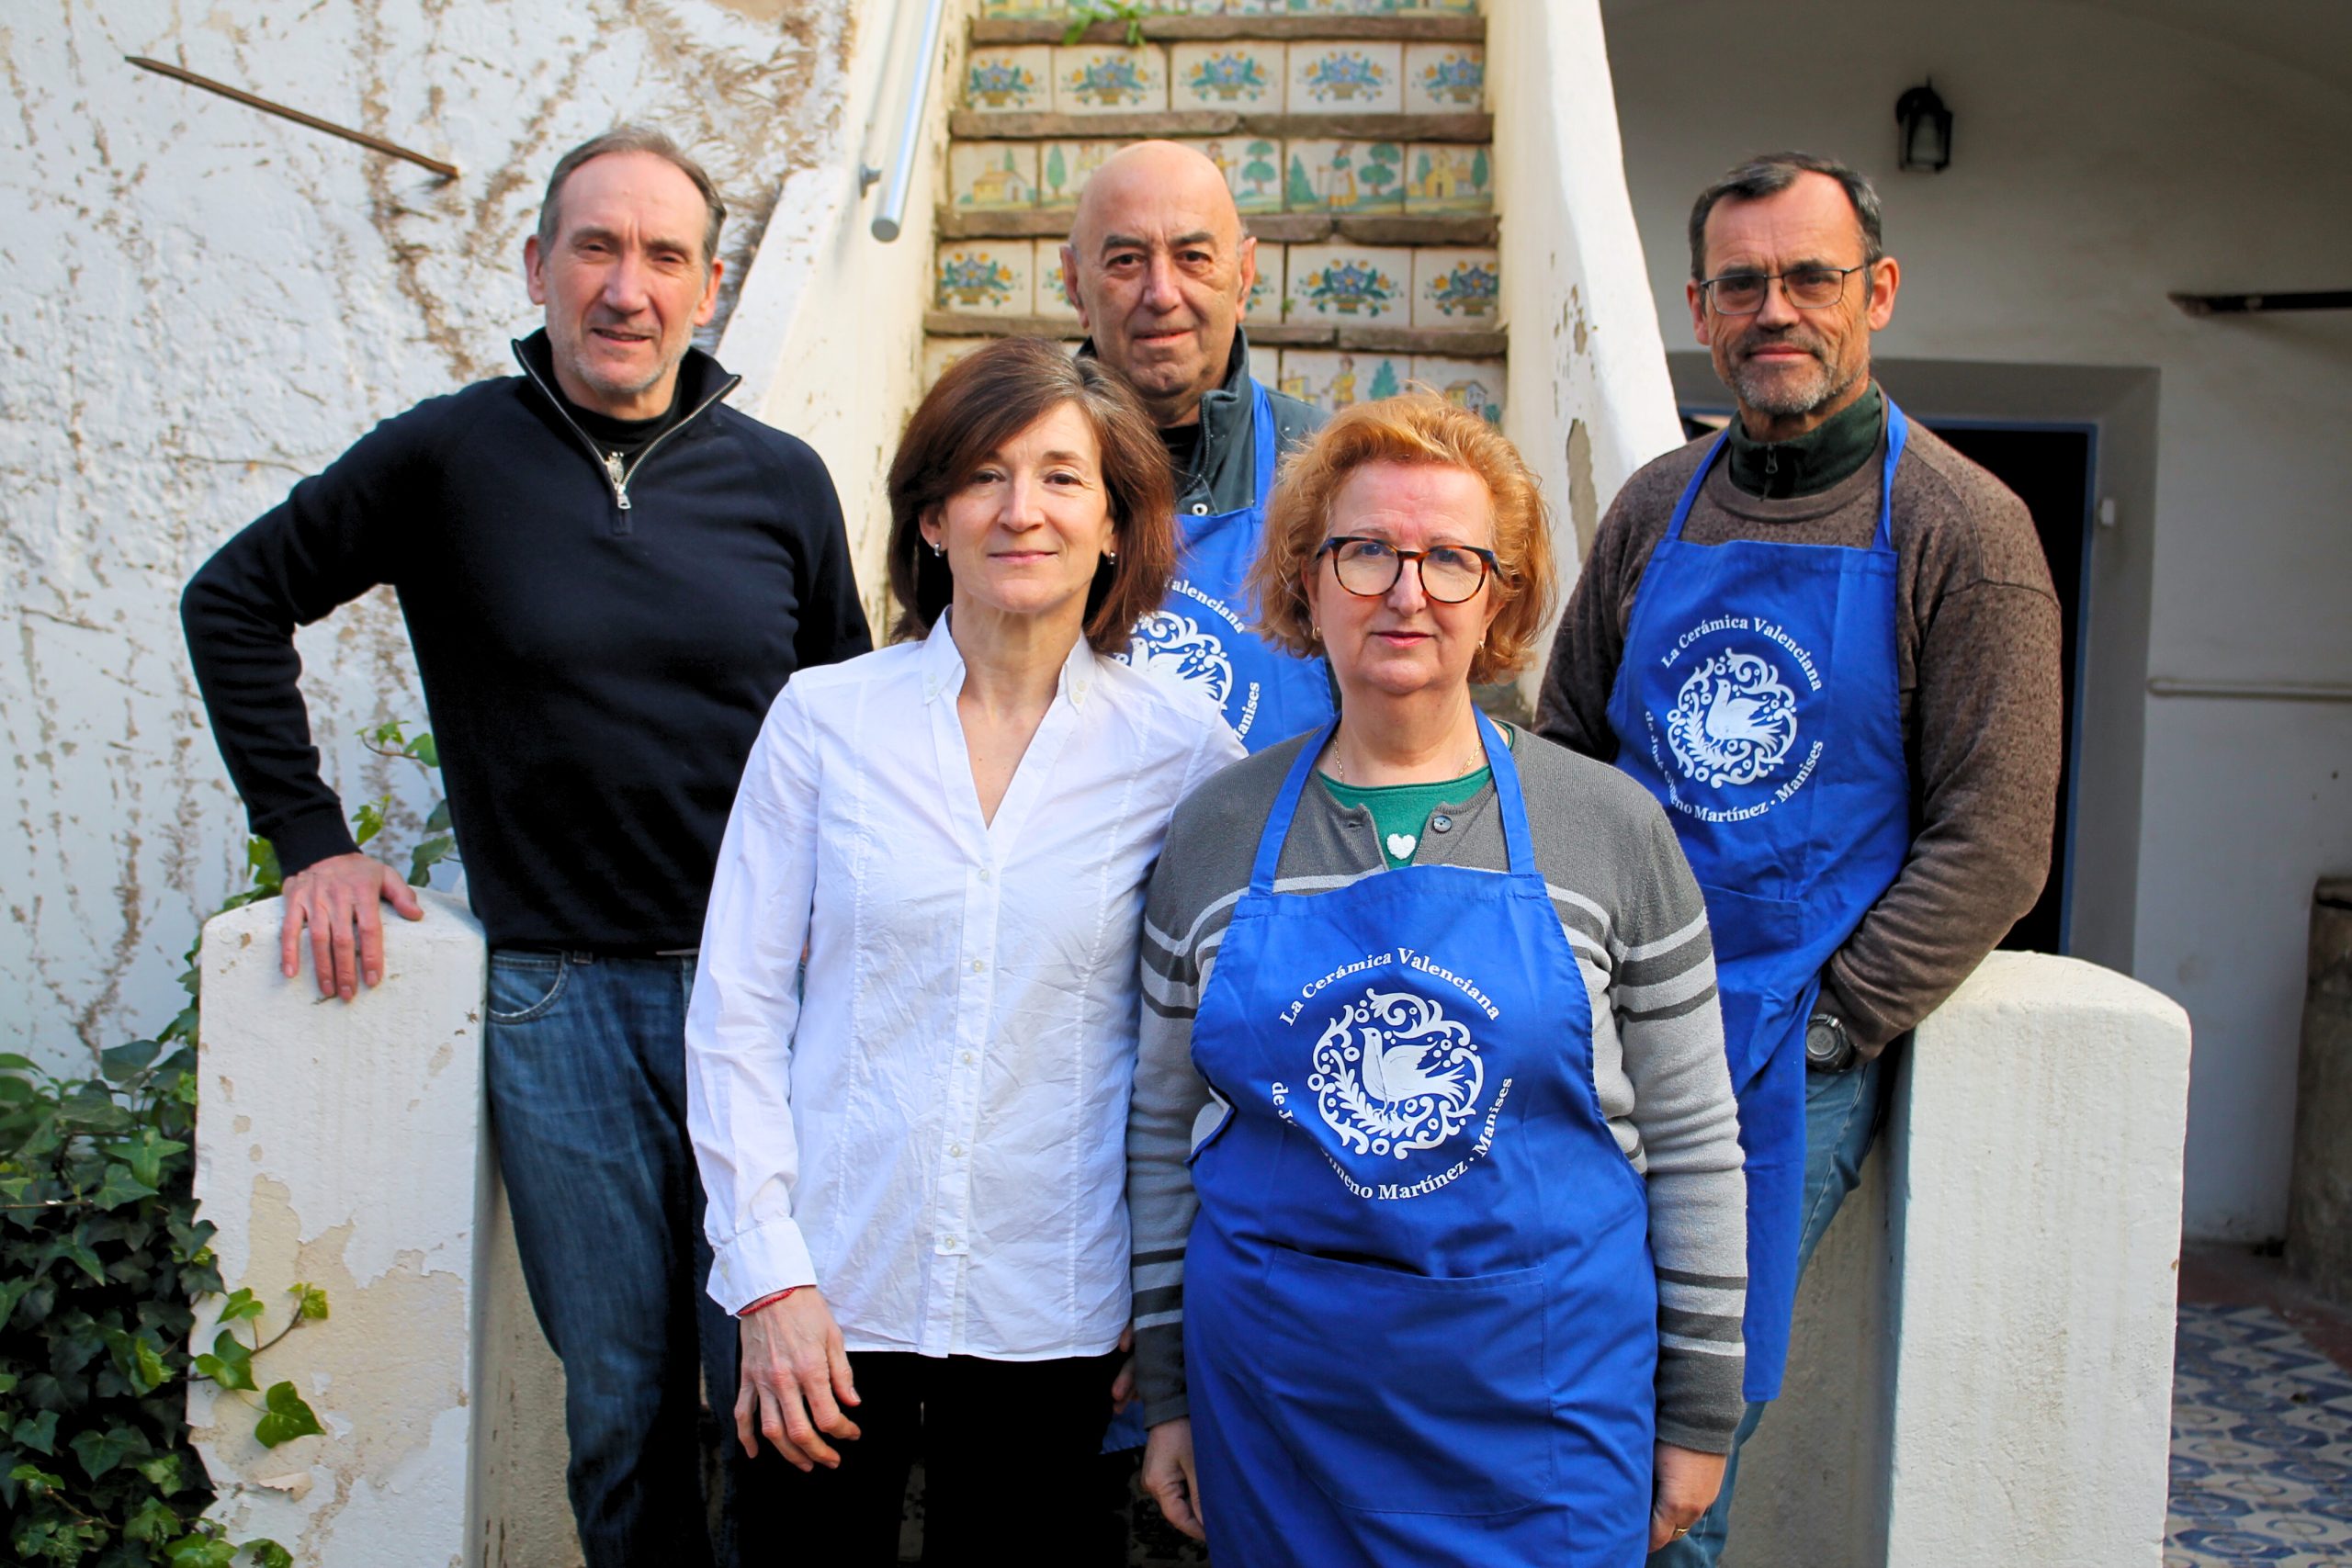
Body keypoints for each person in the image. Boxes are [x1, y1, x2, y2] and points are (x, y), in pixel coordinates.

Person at [179, 128, 871, 1566]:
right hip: (561, 1004)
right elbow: (234, 599)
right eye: (595, 247)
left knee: (779, 1391)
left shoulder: (781, 482)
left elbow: (849, 730)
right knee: (619, 1406)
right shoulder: (448, 457)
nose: (627, 287)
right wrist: (309, 836)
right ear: (537, 264)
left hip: (764, 1003)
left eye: (664, 256)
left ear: (709, 286)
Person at [1536, 152, 2063, 1565]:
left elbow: (1997, 835)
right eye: (1743, 282)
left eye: (1810, 277)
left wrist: (1833, 1023)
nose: (1776, 308)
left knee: (1678, 1445)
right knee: (1562, 1393)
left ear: (1875, 292)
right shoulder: (1655, 505)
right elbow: (1567, 749)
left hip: (1788, 1052)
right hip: (1606, 1031)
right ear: (1700, 309)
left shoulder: (1965, 528)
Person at [1127, 396, 1751, 1564]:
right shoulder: (1216, 830)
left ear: (1500, 597)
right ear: (1306, 580)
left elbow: (1695, 1138)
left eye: (1451, 559)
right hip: (1278, 1403)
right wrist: (1168, 1388)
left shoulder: (1609, 829)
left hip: (1547, 1404)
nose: (1406, 592)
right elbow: (1162, 1128)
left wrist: (1701, 1405)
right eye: (1365, 551)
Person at [686, 337, 1245, 1564]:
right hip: (827, 1290)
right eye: (985, 475)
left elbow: (1217, 1039)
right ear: (933, 517)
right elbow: (735, 1012)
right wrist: (768, 1275)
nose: (1020, 509)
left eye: (1060, 476)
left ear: (1115, 524)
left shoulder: (1182, 748)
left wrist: (1162, 1298)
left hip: (1055, 1301)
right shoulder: (824, 720)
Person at [1061, 140, 1331, 750]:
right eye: (1126, 260)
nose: (1161, 293)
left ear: (1244, 275)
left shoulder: (1327, 469)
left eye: (1193, 257)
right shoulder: (1009, 470)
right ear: (1075, 284)